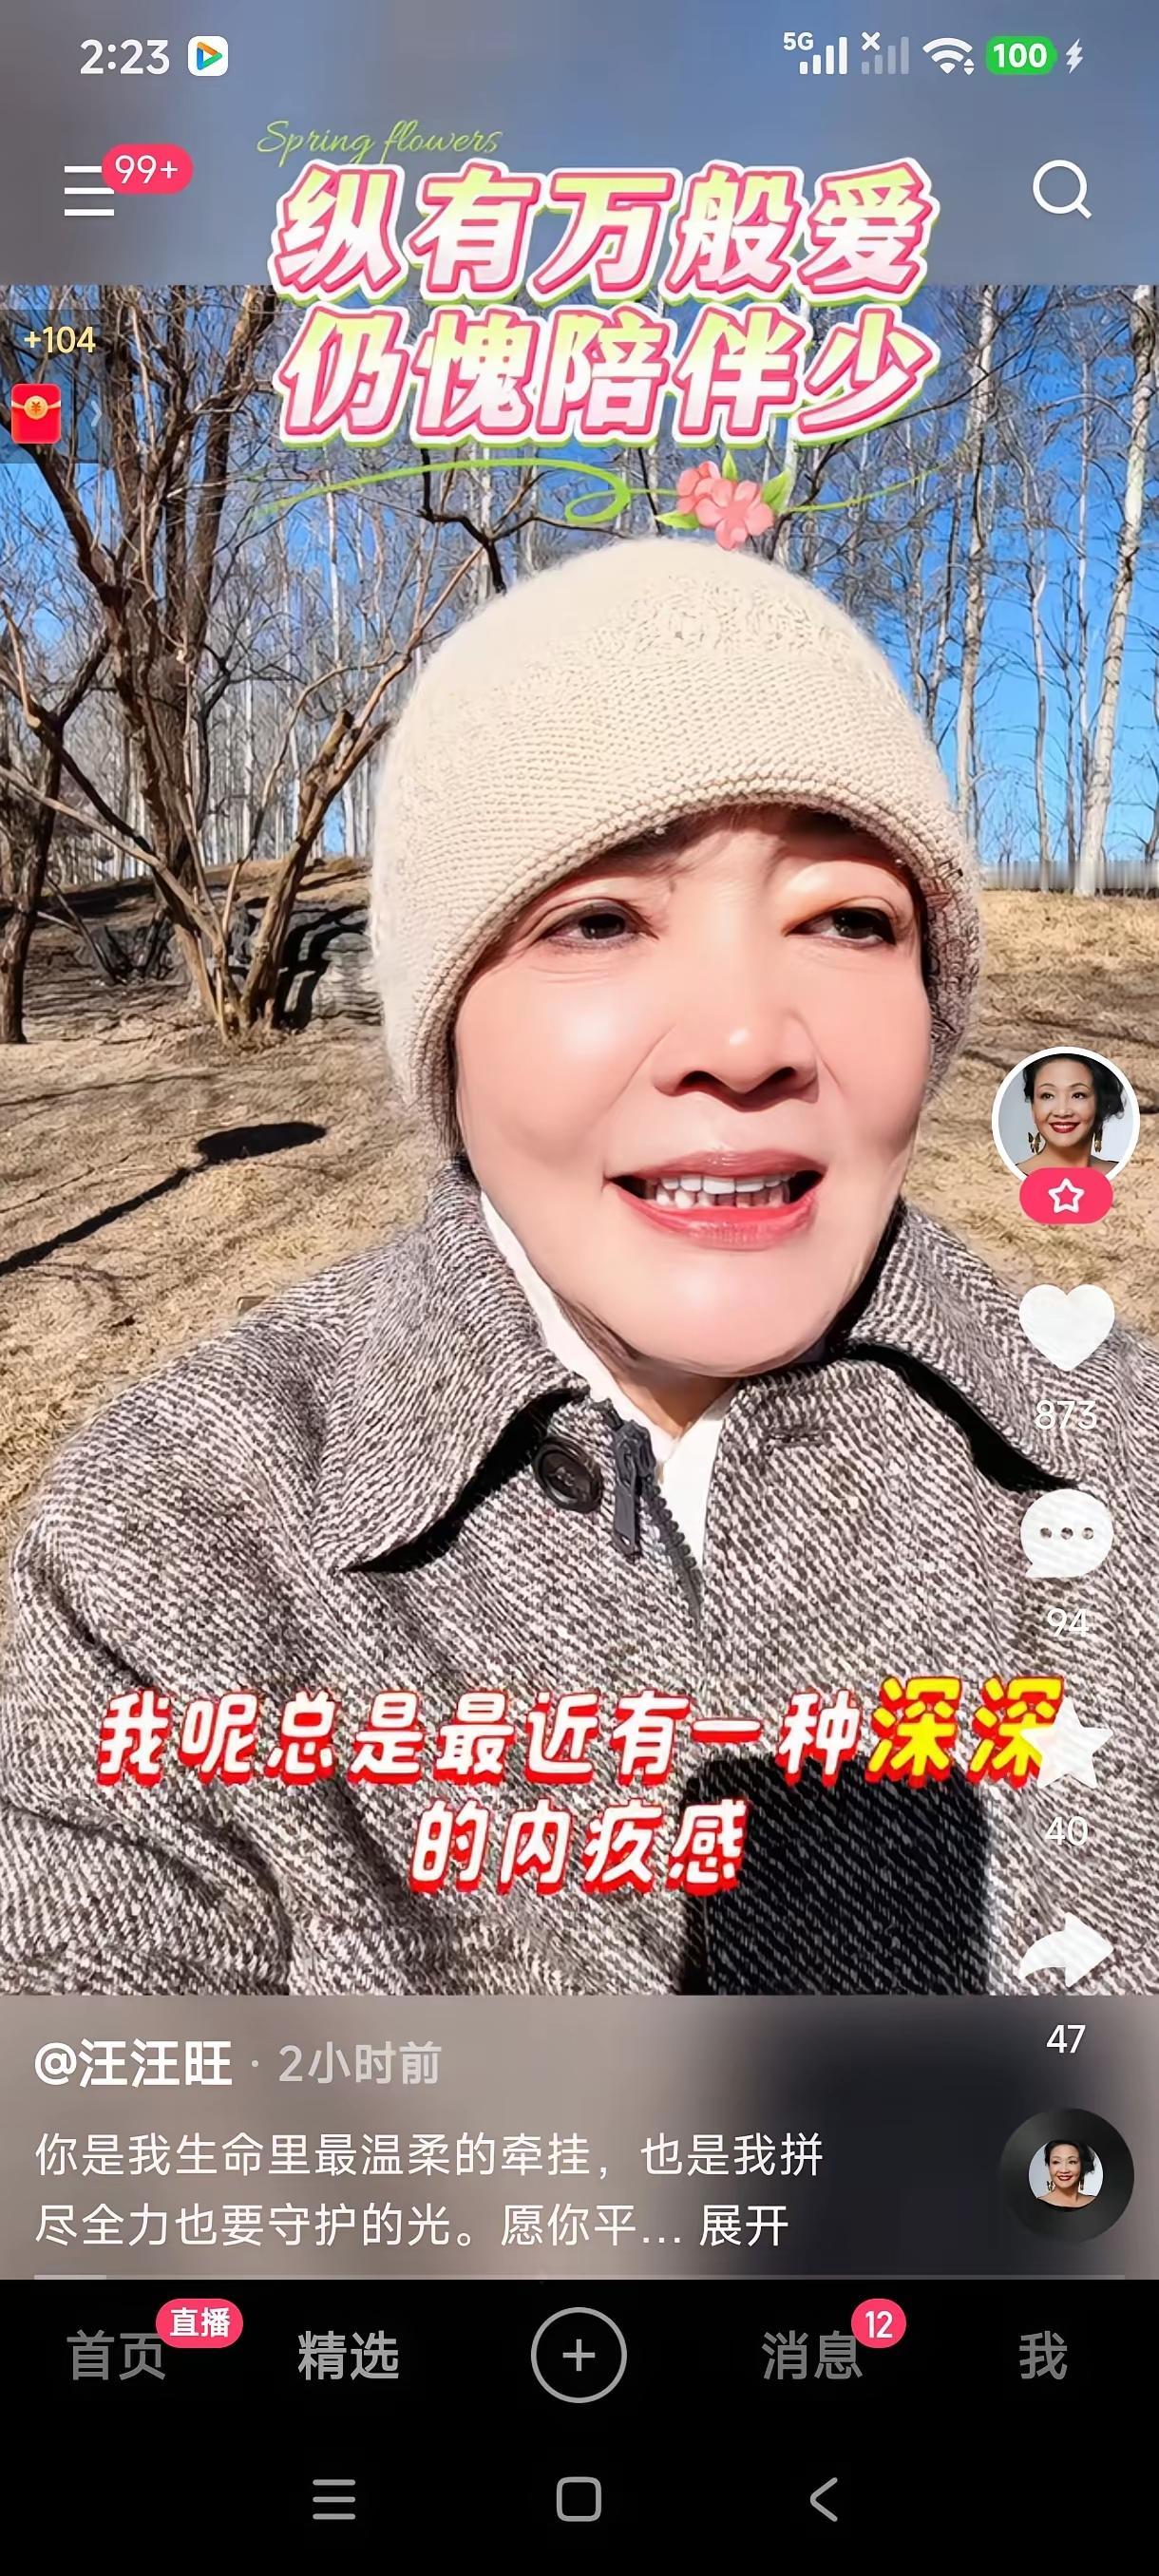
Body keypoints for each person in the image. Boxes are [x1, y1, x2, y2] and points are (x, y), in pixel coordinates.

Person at [2, 538, 1158, 1999]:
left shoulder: (1126, 1464)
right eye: (598, 920)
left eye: (847, 920)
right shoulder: (180, 1529)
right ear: (445, 1027)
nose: (746, 1041)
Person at [1016, 1051, 1125, 1174]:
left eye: (1078, 1095)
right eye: (1047, 1095)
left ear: (1100, 1104)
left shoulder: (1125, 1174)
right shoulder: (1009, 1179)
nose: (1062, 1112)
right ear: (1033, 1107)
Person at [1036, 2138, 1098, 2207]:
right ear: (1049, 2166)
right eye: (1056, 2162)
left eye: (1072, 2162)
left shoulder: (1098, 2203)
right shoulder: (1036, 2205)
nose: (1064, 2170)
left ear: (1083, 2165)